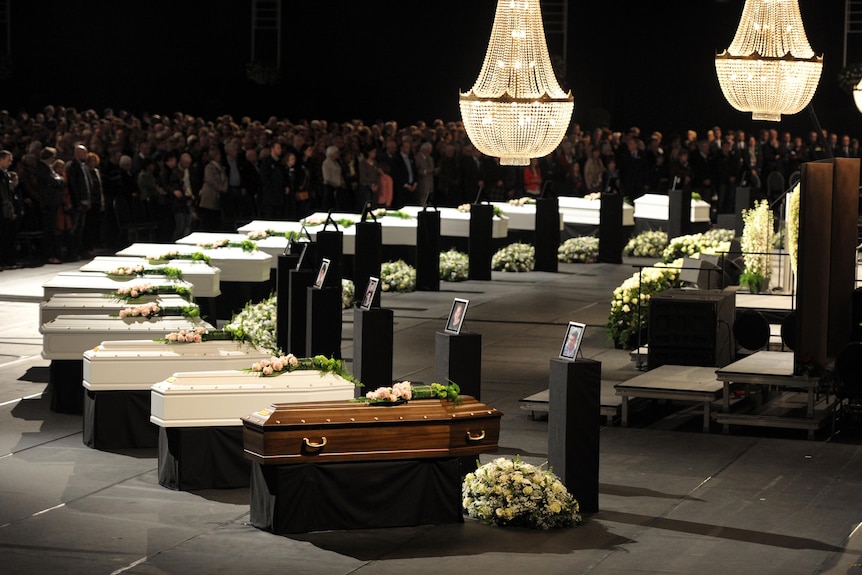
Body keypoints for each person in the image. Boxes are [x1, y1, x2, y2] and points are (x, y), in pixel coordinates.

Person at [34, 147, 64, 264]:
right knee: (49, 230)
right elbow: (54, 181)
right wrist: (58, 179)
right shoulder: (42, 168)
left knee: (52, 229)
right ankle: (48, 255)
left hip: (52, 202)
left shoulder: (48, 168)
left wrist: (58, 179)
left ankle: (52, 254)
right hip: (47, 203)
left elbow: (57, 179)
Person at [197, 147, 227, 231]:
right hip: (209, 196)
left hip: (218, 198)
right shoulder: (209, 167)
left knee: (216, 220)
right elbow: (210, 180)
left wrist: (224, 187)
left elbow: (225, 179)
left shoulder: (221, 168)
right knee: (207, 219)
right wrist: (220, 188)